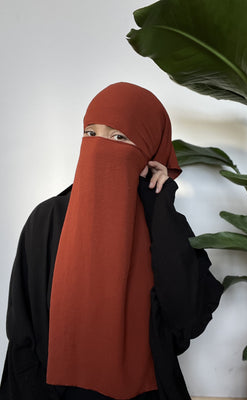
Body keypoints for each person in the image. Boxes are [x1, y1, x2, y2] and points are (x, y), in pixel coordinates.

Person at [0, 82, 223, 400]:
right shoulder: (46, 220)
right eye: (90, 134)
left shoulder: (160, 225)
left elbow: (186, 321)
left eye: (119, 137)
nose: (100, 146)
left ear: (147, 152)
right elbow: (22, 332)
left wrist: (161, 207)